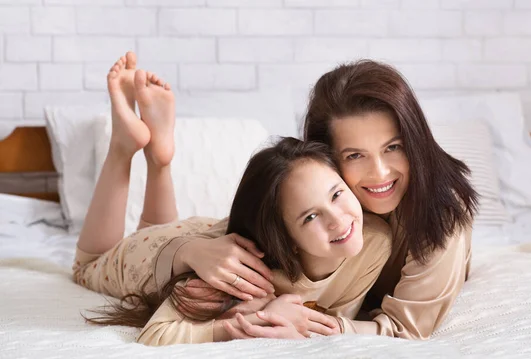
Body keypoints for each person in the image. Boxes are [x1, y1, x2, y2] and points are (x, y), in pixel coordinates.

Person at [73, 52, 392, 345]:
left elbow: (334, 320)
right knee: (86, 266)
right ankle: (121, 148)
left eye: (337, 194)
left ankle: (160, 159)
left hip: (200, 231)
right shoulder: (235, 273)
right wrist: (247, 322)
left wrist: (288, 316)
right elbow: (156, 334)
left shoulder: (375, 241)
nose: (338, 220)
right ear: (286, 238)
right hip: (152, 254)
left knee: (162, 226)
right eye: (310, 217)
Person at [166, 60, 478, 340]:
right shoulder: (323, 202)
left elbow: (404, 329)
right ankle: (157, 164)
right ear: (325, 157)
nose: (380, 172)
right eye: (355, 155)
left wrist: (310, 326)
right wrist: (189, 251)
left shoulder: (442, 214)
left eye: (393, 147)